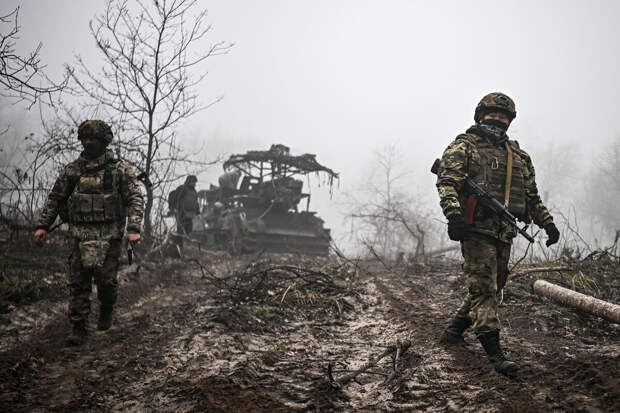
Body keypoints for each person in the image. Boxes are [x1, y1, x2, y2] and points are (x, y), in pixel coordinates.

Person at [435, 92, 560, 374]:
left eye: (504, 116)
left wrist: (547, 223)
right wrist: (454, 215)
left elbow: (531, 197)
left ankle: (454, 330)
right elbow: (447, 182)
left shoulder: (519, 156)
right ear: (481, 116)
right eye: (493, 114)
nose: (498, 119)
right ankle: (495, 353)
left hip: (504, 231)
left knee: (495, 284)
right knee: (484, 290)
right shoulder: (464, 146)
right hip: (475, 229)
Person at [34, 120, 144, 345]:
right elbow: (56, 198)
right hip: (79, 235)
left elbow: (135, 198)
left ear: (104, 141)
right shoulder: (73, 170)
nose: (88, 142)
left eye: (93, 139)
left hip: (109, 235)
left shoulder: (119, 170)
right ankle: (78, 327)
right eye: (85, 139)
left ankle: (107, 307)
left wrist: (133, 228)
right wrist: (43, 225)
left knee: (106, 282)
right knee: (78, 283)